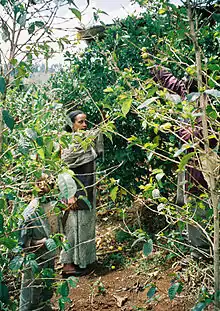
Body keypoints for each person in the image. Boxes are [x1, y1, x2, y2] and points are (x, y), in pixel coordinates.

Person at [60, 110, 104, 276]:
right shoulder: (68, 144)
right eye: (80, 122)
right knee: (71, 228)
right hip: (74, 193)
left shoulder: (87, 142)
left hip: (87, 190)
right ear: (72, 124)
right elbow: (62, 169)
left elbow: (97, 149)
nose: (85, 125)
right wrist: (69, 195)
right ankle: (67, 265)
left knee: (85, 227)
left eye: (86, 122)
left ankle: (83, 260)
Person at [19, 197, 63, 311]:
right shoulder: (31, 212)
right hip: (35, 258)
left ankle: (44, 307)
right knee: (31, 294)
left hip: (49, 256)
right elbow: (23, 243)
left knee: (47, 287)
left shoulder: (53, 205)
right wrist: (40, 242)